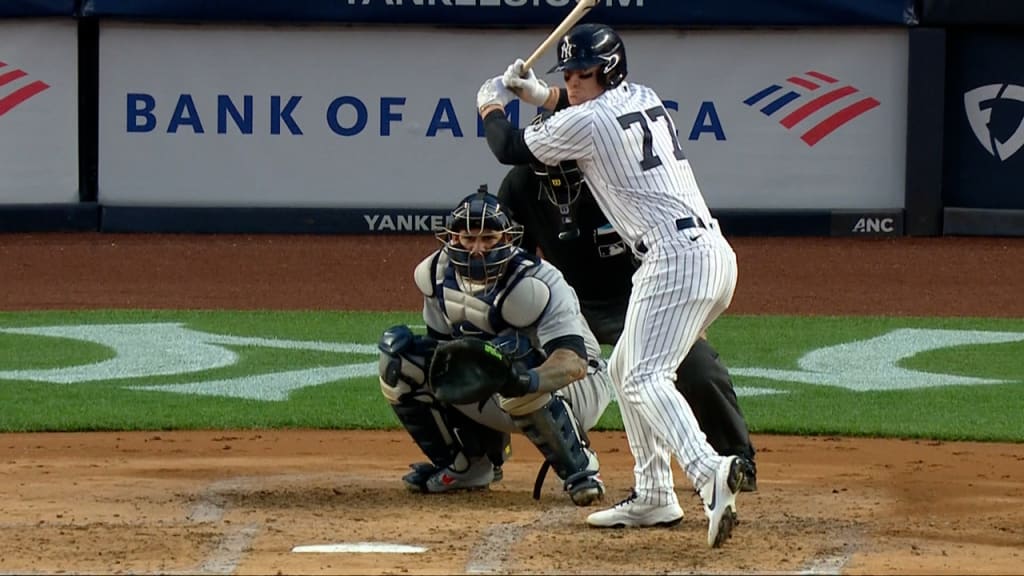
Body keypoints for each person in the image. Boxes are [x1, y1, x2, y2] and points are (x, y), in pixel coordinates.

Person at [476, 23, 749, 548]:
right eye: (570, 75)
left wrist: (490, 104)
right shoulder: (640, 98)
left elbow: (508, 147)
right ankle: (654, 495)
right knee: (626, 368)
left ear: (609, 72)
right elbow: (572, 107)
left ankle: (709, 470)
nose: (572, 83)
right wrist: (540, 94)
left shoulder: (589, 122)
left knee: (646, 378)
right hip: (705, 255)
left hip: (676, 259)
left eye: (583, 74)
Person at [497, 157, 758, 501]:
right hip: (568, 300)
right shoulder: (520, 184)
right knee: (507, 354)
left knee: (698, 366)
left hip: (642, 294)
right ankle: (543, 459)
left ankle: (734, 460)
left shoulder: (621, 178)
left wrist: (688, 320)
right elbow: (520, 266)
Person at [377, 187, 614, 507]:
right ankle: (469, 465)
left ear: (507, 239)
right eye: (468, 238)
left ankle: (580, 470)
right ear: (452, 238)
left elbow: (573, 363)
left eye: (488, 238)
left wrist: (522, 380)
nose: (477, 249)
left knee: (510, 355)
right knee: (400, 358)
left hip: (577, 389)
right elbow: (444, 355)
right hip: (500, 386)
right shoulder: (434, 274)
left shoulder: (537, 283)